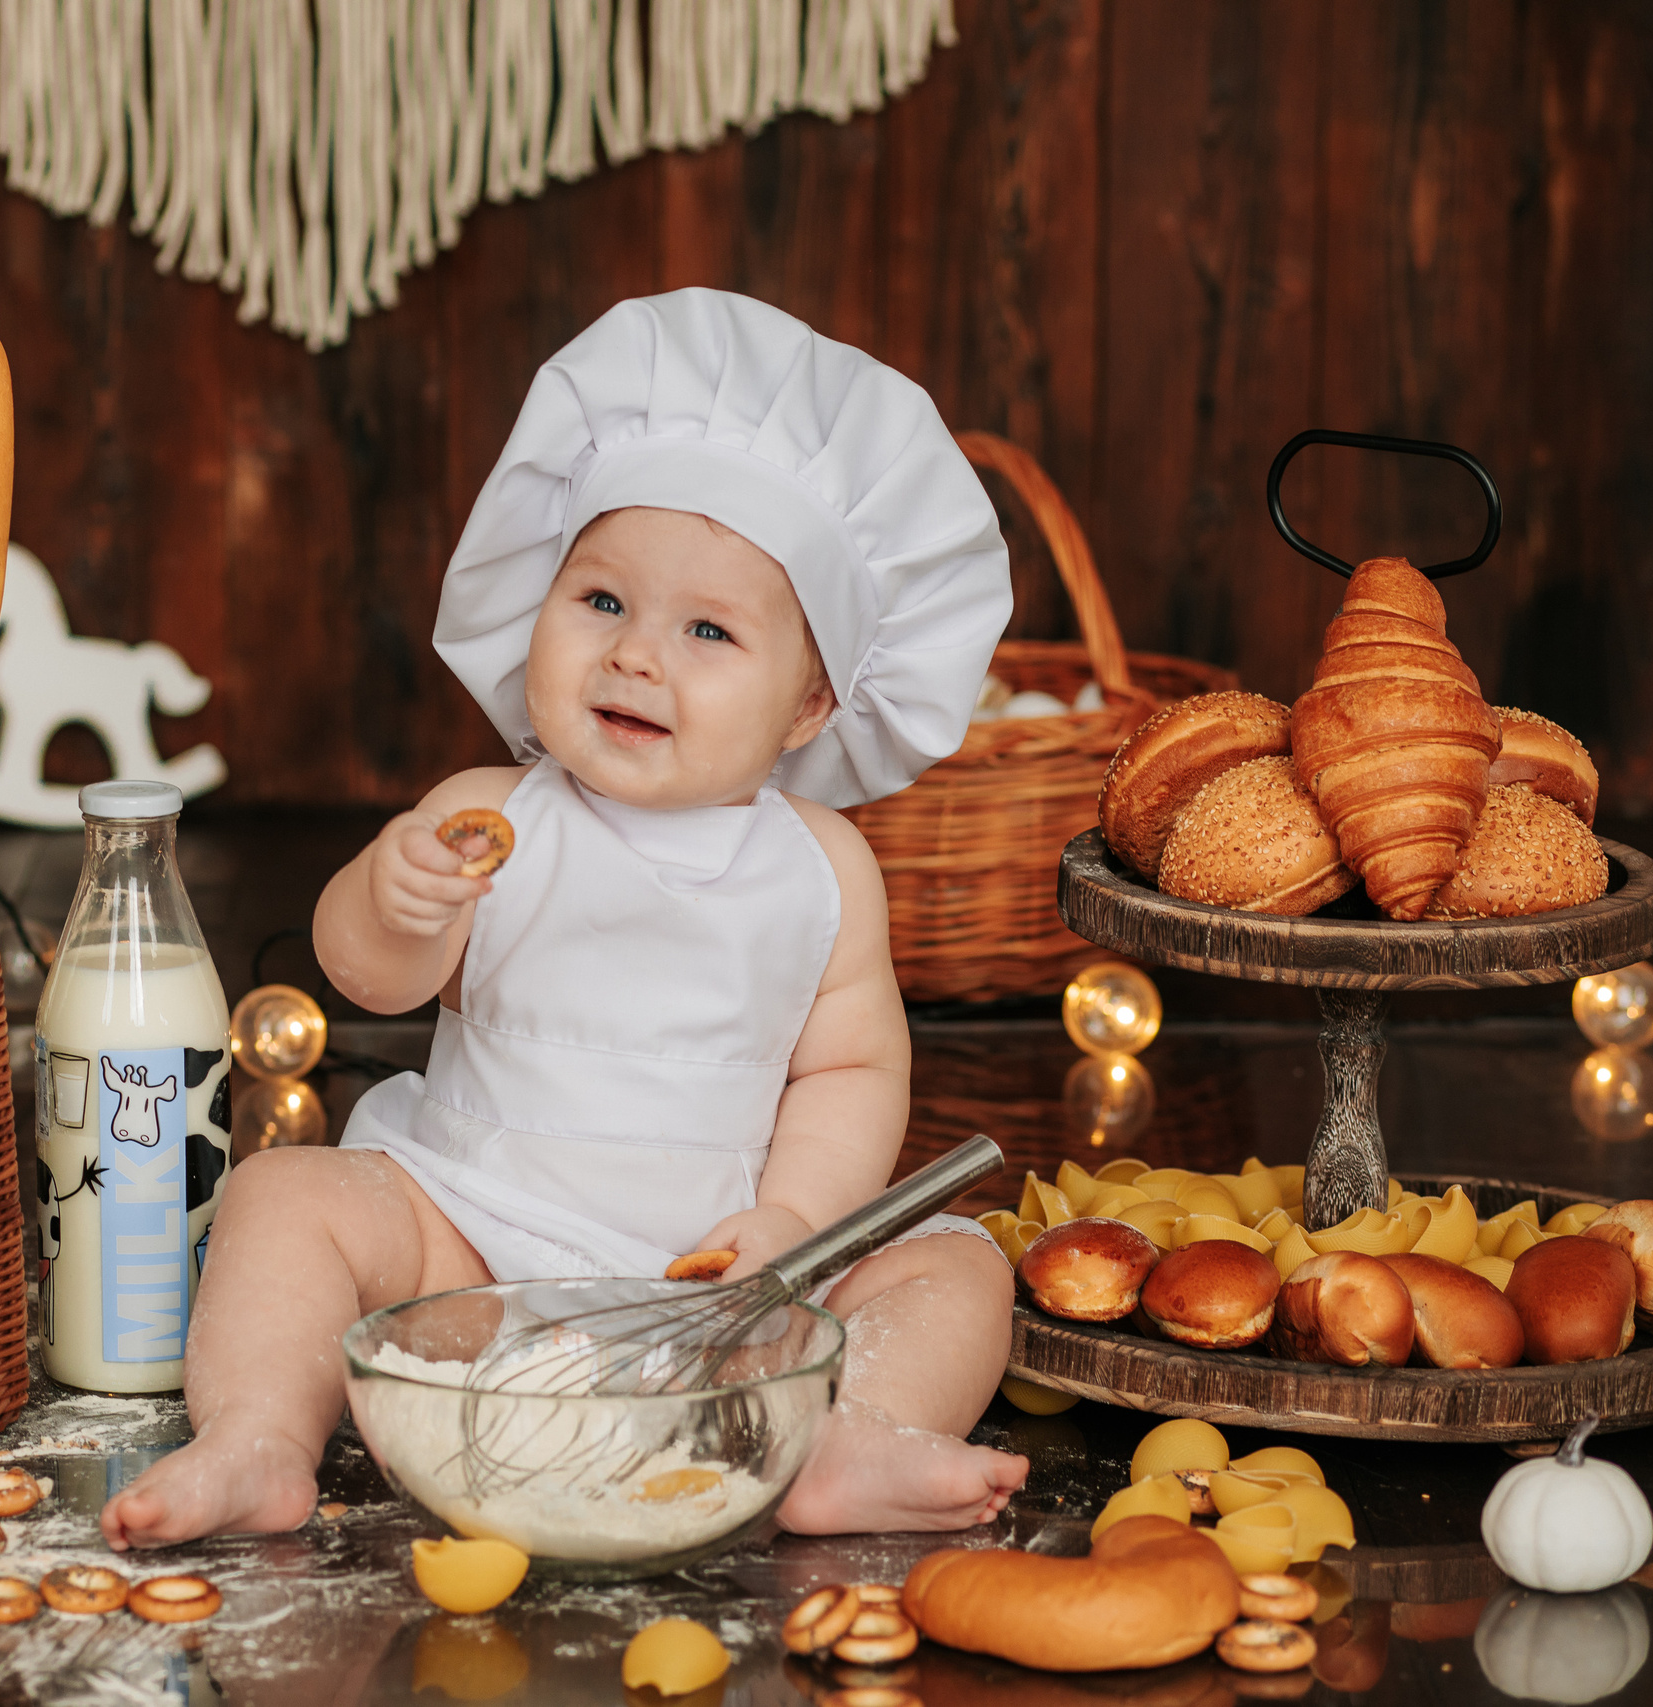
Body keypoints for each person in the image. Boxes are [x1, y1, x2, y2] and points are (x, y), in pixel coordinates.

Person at [102, 289, 1026, 1550]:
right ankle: (261, 1436)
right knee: (284, 1196)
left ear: (811, 702)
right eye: (601, 602)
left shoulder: (819, 868)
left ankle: (846, 1436)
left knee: (958, 1264)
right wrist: (393, 897)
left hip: (720, 1287)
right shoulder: (496, 810)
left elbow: (854, 1067)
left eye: (708, 630)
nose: (637, 655)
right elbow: (368, 979)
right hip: (475, 1246)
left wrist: (795, 1230)